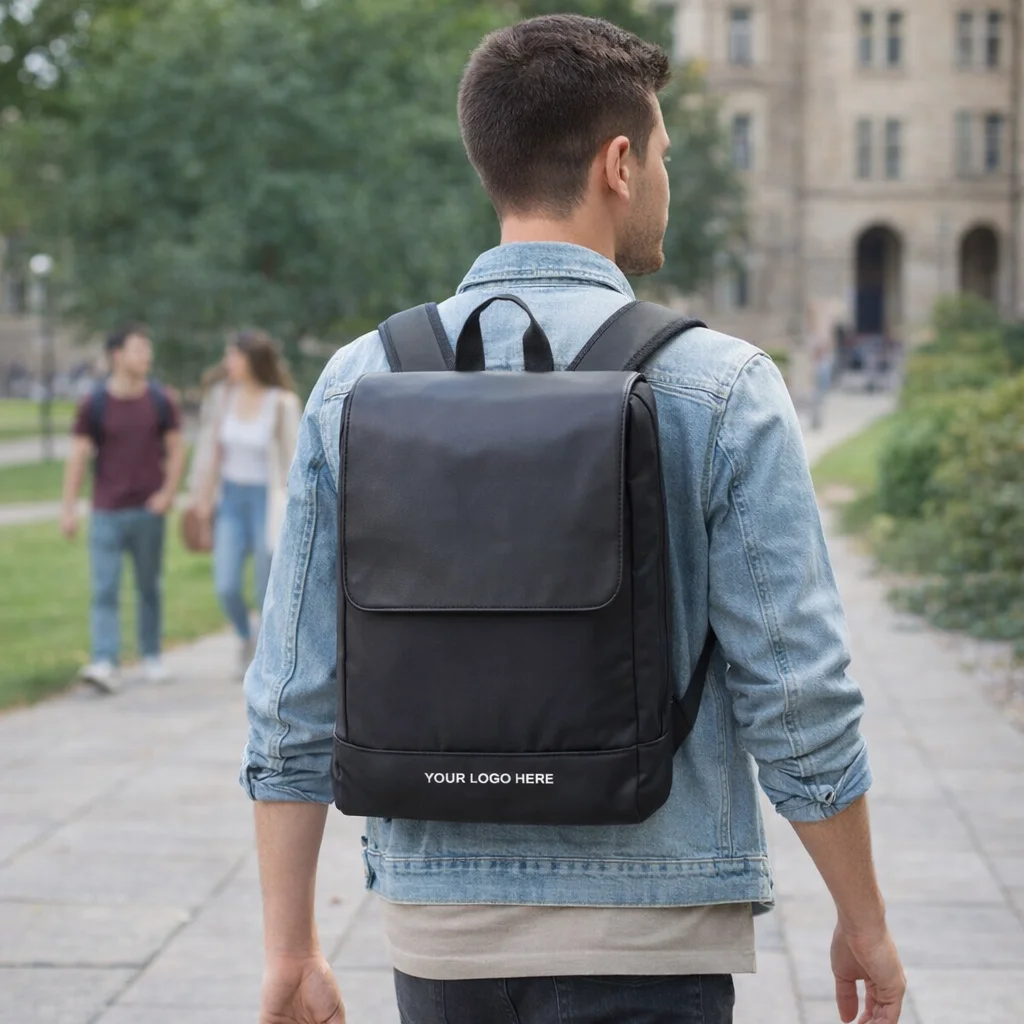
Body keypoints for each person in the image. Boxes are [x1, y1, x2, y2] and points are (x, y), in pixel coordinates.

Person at [242, 15, 906, 1024]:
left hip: (441, 930)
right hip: (656, 928)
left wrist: (290, 947)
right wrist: (863, 919)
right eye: (667, 158)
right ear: (620, 163)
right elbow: (797, 686)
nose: (666, 182)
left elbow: (293, 689)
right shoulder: (720, 385)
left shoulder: (357, 382)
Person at [61, 324, 186, 693]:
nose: (145, 356)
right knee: (104, 588)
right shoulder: (94, 402)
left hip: (148, 510)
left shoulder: (160, 399)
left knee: (149, 587)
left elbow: (177, 449)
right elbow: (78, 456)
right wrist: (68, 508)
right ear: (117, 355)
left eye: (147, 349)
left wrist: (167, 493)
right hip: (106, 511)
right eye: (137, 349)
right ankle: (105, 660)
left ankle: (151, 655)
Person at [191, 330, 300, 678]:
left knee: (264, 586)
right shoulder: (222, 397)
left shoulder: (281, 402)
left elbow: (293, 459)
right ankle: (245, 635)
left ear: (253, 360)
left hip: (266, 503)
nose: (228, 363)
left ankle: (265, 651)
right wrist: (202, 501)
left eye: (233, 356)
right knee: (226, 585)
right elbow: (210, 452)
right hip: (231, 500)